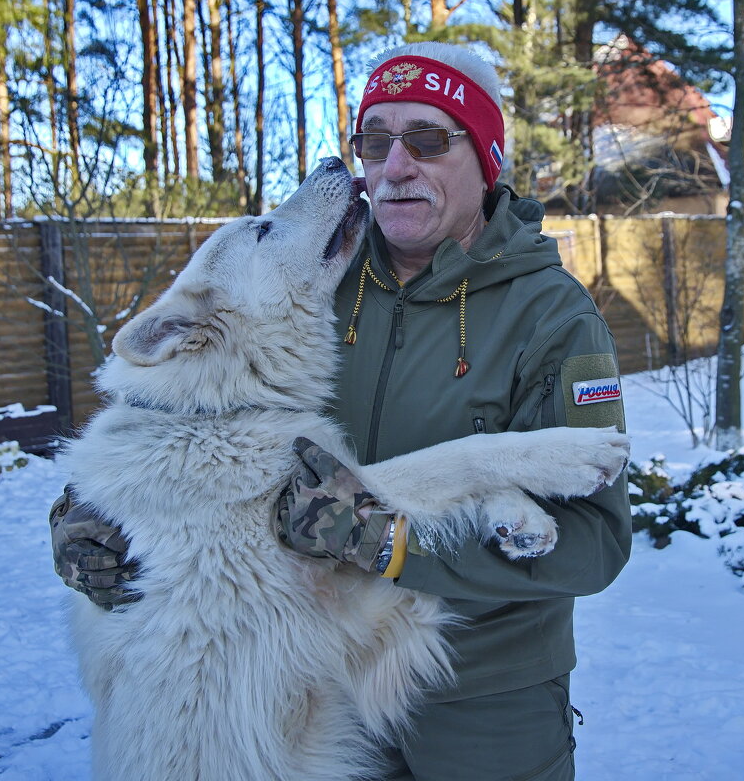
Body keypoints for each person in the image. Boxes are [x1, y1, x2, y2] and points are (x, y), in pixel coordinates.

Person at [50, 41, 630, 781]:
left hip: (485, 699)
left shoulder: (553, 317)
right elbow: (203, 434)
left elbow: (595, 544)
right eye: (374, 141)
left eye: (426, 139)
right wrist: (88, 515)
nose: (393, 167)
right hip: (323, 693)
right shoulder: (317, 280)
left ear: (485, 160)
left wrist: (391, 544)